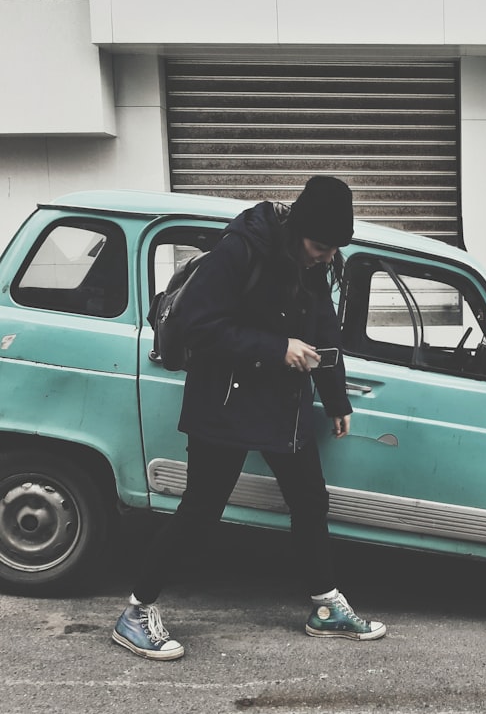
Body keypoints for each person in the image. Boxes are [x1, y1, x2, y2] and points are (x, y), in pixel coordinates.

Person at [112, 176, 386, 661]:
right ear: (298, 228)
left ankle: (324, 606)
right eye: (321, 246)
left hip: (283, 407)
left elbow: (322, 329)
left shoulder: (313, 262)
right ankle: (136, 612)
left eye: (333, 249)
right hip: (226, 401)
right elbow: (199, 322)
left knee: (309, 500)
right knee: (200, 511)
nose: (326, 257)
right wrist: (276, 347)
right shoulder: (242, 248)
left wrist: (337, 399)